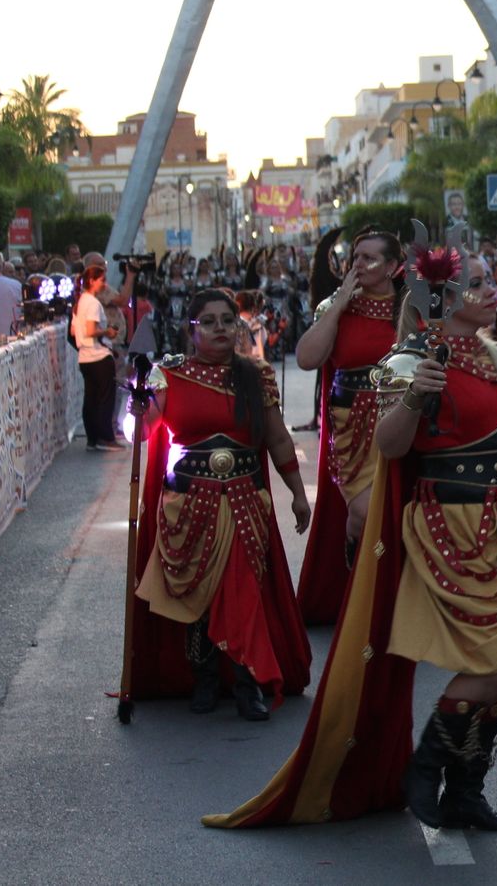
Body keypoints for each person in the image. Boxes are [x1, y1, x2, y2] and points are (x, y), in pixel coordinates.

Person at [204, 252, 497, 830]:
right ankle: (426, 763)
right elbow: (389, 447)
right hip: (453, 527)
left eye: (491, 281)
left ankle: (464, 792)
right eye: (477, 284)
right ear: (441, 300)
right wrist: (415, 395)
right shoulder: (411, 359)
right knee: (492, 662)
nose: (494, 291)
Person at [127, 290, 312, 720]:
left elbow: (277, 438)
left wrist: (298, 494)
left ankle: (248, 684)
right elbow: (141, 433)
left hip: (244, 500)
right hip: (187, 503)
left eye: (227, 321)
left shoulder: (256, 375)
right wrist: (138, 406)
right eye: (208, 322)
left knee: (243, 590)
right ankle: (205, 679)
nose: (220, 329)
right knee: (198, 592)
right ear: (191, 331)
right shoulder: (168, 377)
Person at [293, 228, 404, 624]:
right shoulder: (336, 308)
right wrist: (339, 304)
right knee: (360, 513)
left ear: (393, 267)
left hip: (401, 420)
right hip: (351, 427)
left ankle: (390, 600)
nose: (359, 263)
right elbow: (307, 358)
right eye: (355, 256)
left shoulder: (410, 309)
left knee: (398, 514)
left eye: (370, 258)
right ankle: (363, 595)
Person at [73, 264, 123, 451]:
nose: (105, 284)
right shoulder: (93, 303)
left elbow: (74, 330)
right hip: (98, 356)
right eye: (102, 280)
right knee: (104, 398)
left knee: (91, 399)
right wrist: (108, 332)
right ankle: (105, 437)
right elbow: (91, 330)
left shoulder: (80, 302)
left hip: (85, 357)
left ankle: (92, 438)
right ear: (92, 281)